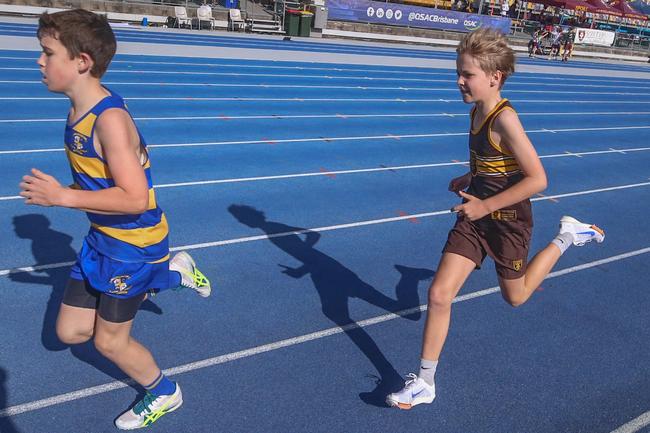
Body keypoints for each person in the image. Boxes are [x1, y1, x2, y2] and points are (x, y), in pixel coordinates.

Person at [385, 28, 604, 410]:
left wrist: (485, 205)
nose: (459, 81)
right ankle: (425, 382)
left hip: (507, 222)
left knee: (515, 297)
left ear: (494, 77)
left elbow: (538, 179)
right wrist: (471, 178)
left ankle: (567, 235)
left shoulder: (505, 120)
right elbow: (495, 165)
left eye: (466, 74)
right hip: (475, 215)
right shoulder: (475, 111)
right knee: (438, 294)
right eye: (458, 72)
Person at [21, 9, 212, 429]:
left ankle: (164, 393)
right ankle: (174, 274)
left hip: (134, 245)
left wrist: (60, 197)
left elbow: (134, 197)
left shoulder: (107, 120)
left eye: (48, 53)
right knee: (70, 334)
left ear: (82, 62)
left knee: (108, 342)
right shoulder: (79, 107)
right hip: (102, 238)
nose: (39, 61)